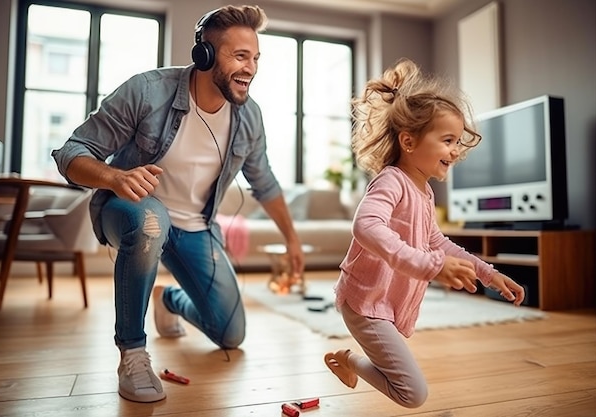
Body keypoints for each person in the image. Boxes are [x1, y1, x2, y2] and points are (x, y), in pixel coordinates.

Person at [52, 5, 304, 403]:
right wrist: (116, 178)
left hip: (195, 228)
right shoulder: (148, 91)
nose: (251, 68)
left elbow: (265, 182)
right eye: (240, 56)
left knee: (230, 333)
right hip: (135, 213)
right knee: (152, 219)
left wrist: (292, 240)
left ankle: (168, 300)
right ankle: (133, 353)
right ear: (204, 54)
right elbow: (71, 153)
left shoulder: (249, 117)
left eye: (255, 58)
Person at [322, 58, 525, 408]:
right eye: (447, 139)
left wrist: (489, 274)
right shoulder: (391, 181)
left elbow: (437, 242)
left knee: (407, 387)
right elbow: (366, 226)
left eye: (458, 141)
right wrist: (431, 266)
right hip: (365, 302)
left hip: (381, 302)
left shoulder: (424, 192)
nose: (455, 150)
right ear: (409, 141)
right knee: (413, 394)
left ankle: (348, 358)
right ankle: (348, 359)